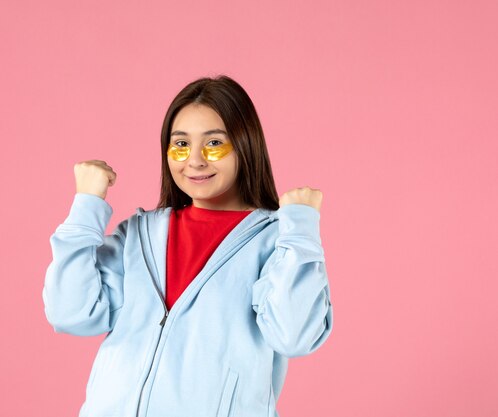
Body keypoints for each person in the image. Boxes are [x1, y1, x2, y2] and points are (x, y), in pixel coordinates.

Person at [42, 75, 334, 417]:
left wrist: (299, 231)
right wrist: (86, 207)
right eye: (181, 144)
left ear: (245, 145)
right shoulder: (139, 235)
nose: (194, 161)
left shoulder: (275, 241)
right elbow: (71, 314)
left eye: (213, 144)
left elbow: (294, 336)